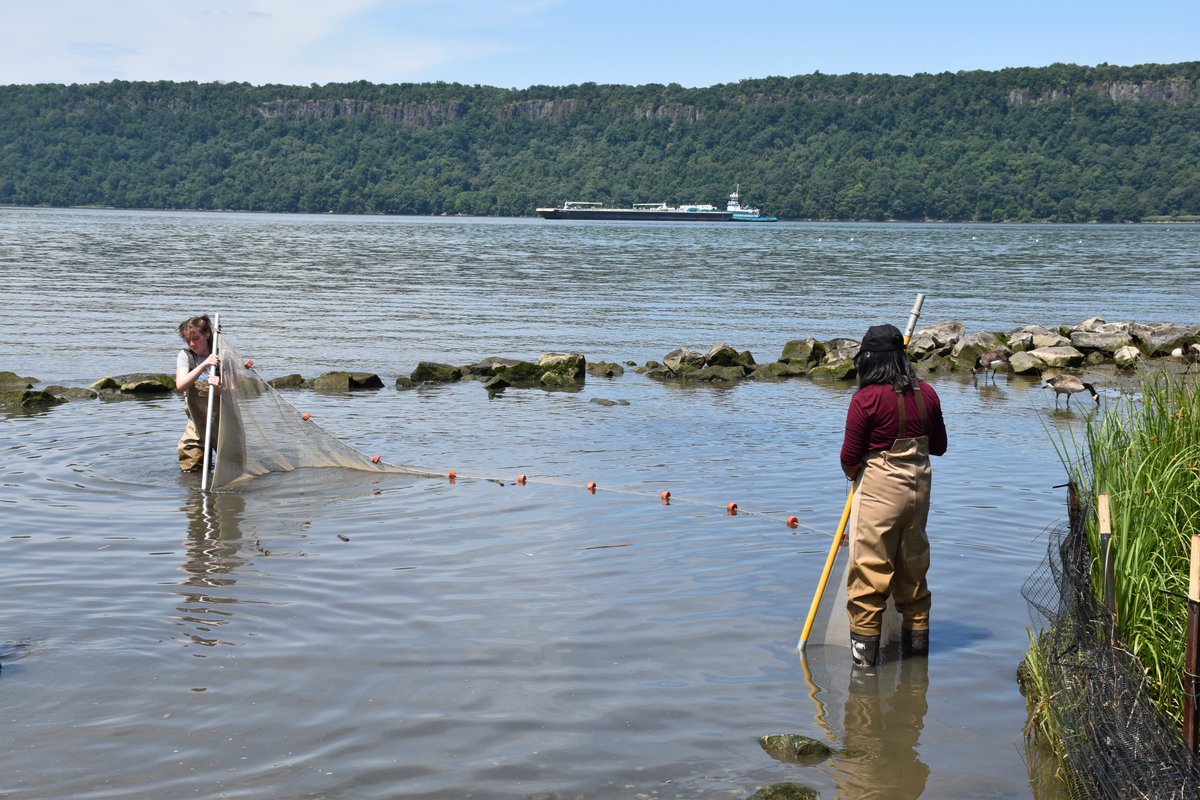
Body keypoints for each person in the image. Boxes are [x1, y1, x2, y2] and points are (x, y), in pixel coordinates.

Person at [839, 323, 947, 667]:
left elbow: (849, 457)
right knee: (913, 571)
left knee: (869, 575)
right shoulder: (927, 393)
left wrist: (855, 475)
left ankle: (865, 670)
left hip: (880, 492)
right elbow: (940, 447)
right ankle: (916, 665)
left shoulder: (865, 399)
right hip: (919, 492)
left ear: (868, 361)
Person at [174, 314, 220, 472]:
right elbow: (181, 385)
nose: (192, 344)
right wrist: (203, 365)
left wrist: (219, 386)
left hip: (224, 423)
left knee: (230, 466)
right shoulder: (186, 356)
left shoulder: (222, 356)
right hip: (197, 423)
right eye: (188, 340)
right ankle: (196, 495)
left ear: (207, 334)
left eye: (196, 338)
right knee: (190, 462)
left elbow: (233, 390)